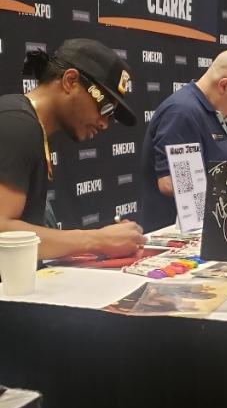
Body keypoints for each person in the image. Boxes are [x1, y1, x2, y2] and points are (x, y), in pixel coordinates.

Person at [0, 39, 145, 260]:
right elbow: (2, 232)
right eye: (104, 107)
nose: (104, 123)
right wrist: (96, 240)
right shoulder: (18, 125)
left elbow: (25, 237)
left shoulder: (30, 127)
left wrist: (101, 242)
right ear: (70, 81)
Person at [140, 48, 227, 232]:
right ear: (224, 85)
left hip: (218, 226)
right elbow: (170, 182)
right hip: (181, 234)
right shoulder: (181, 113)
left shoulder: (221, 113)